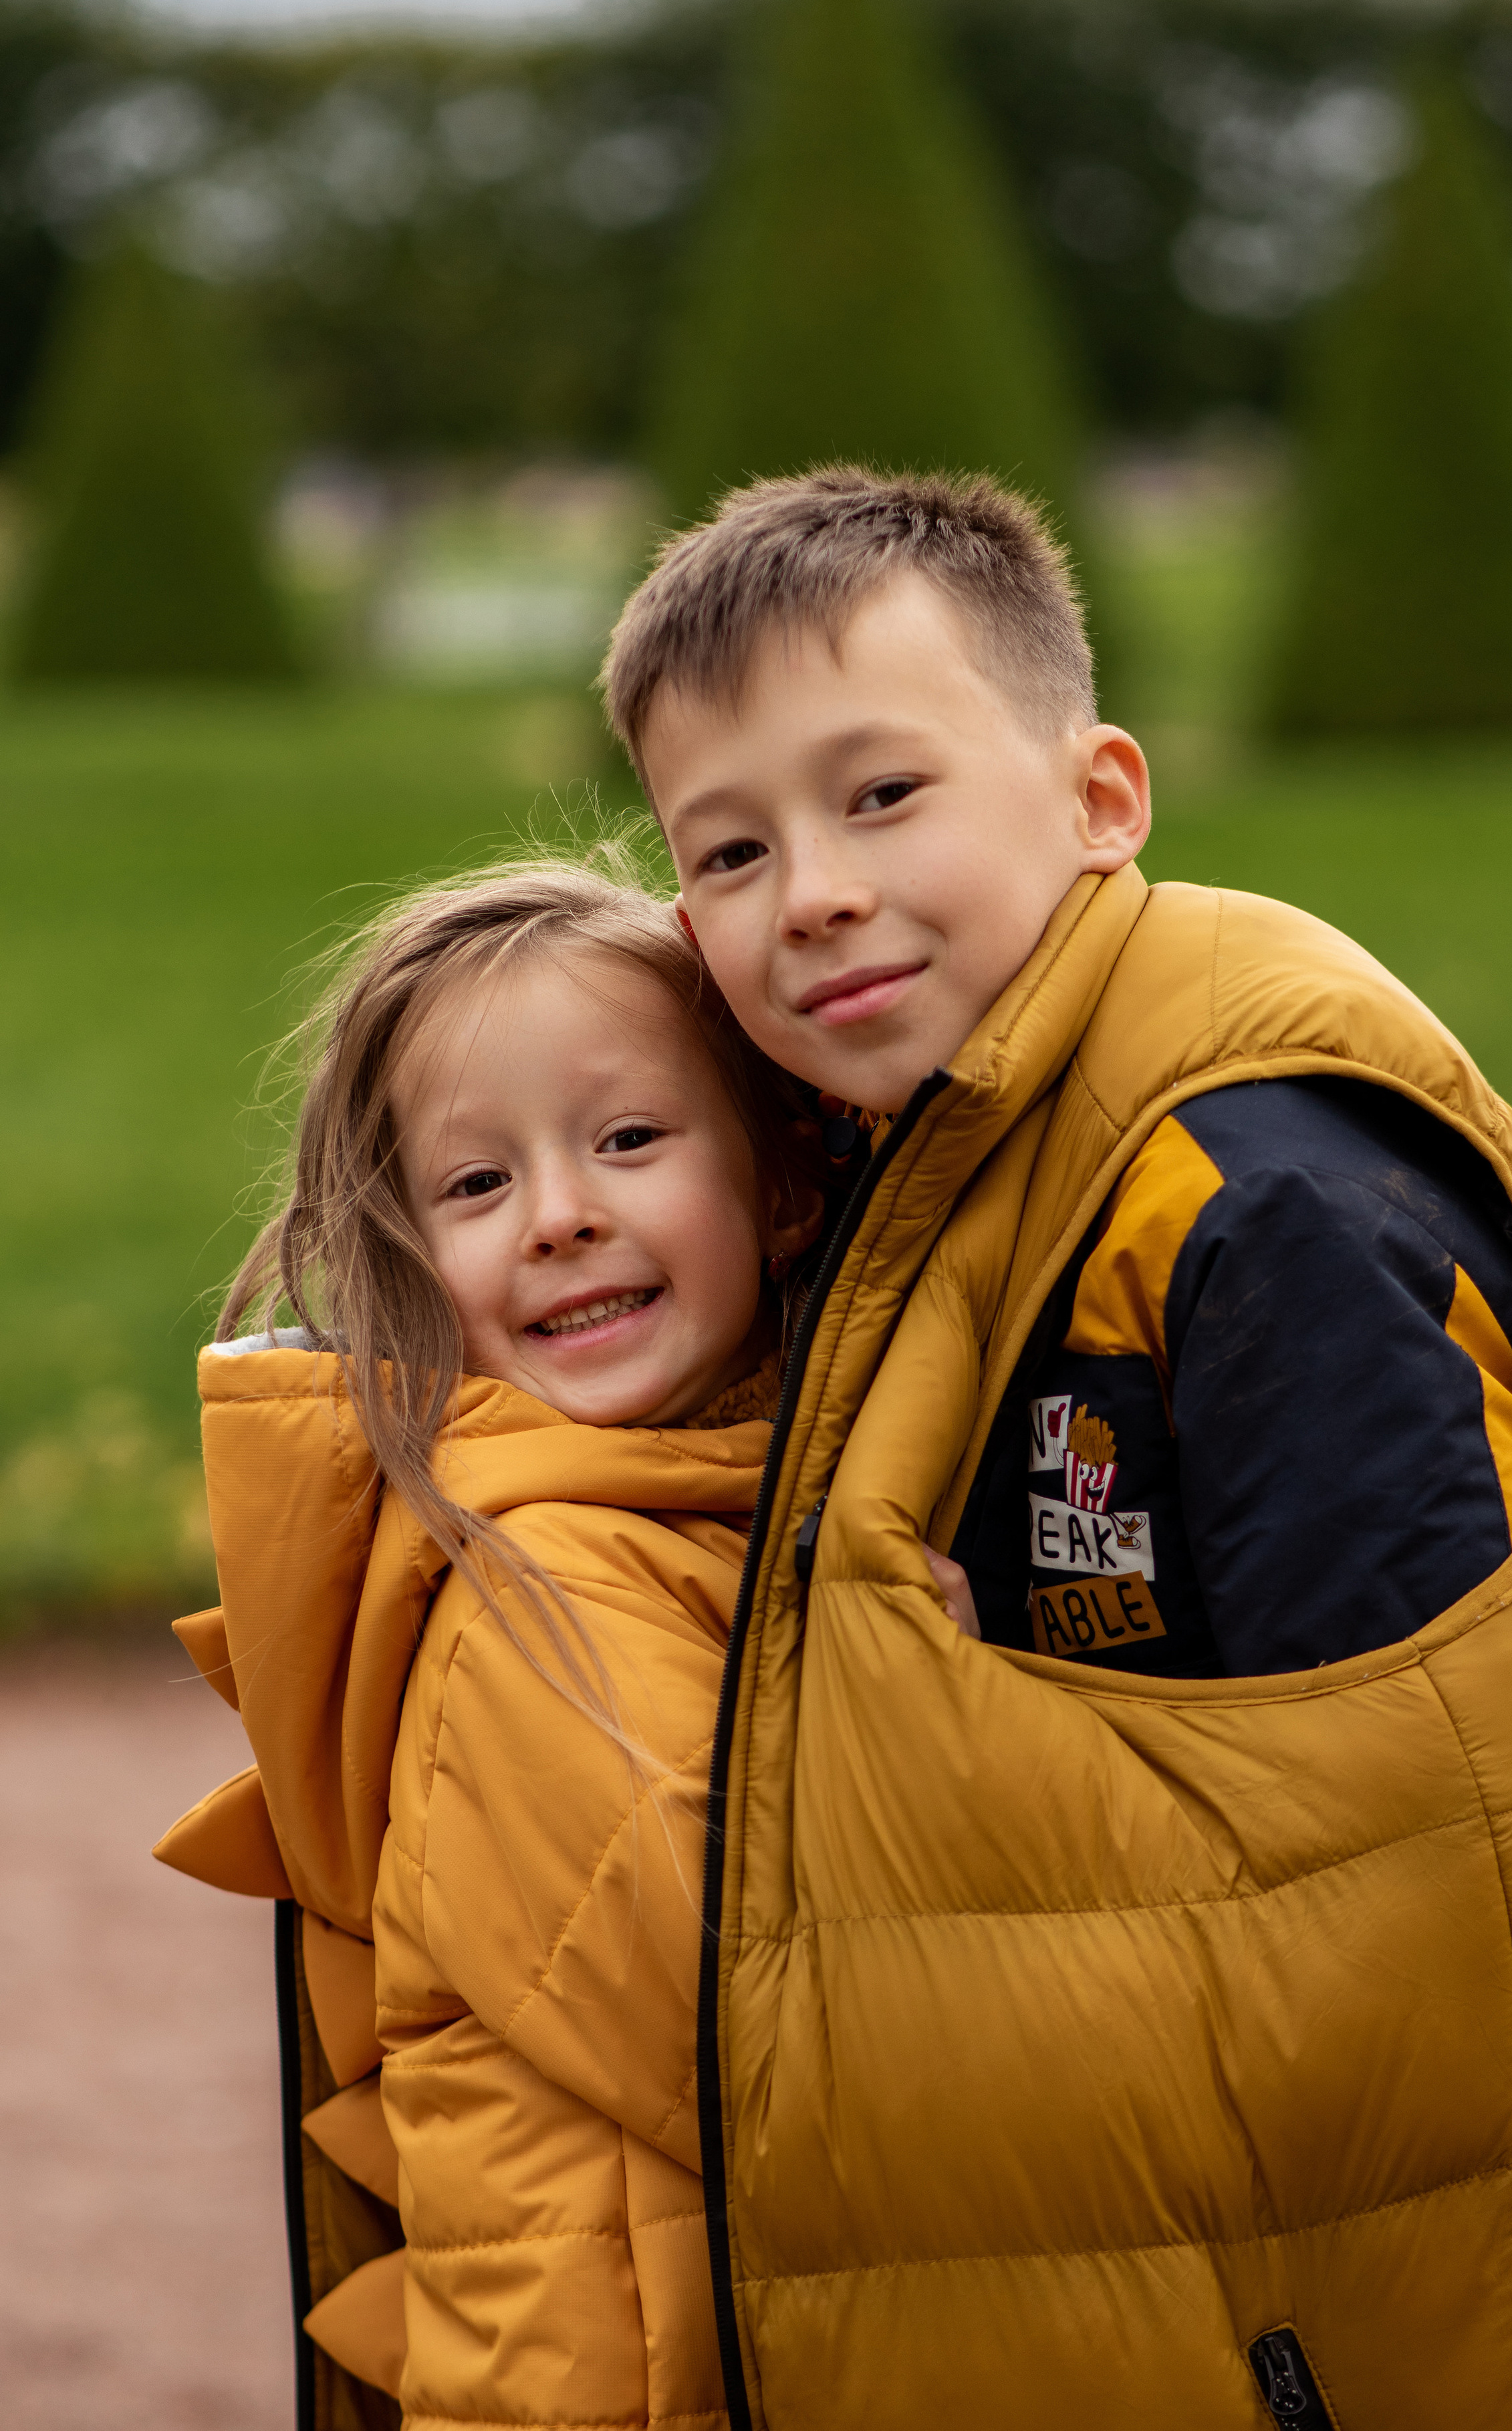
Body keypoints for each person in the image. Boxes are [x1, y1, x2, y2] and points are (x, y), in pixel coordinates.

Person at [598, 467, 1512, 2428]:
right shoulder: (939, 1130)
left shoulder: (1253, 1195)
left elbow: (1412, 1832)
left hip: (1358, 2331)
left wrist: (928, 1721)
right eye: (729, 850)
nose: (816, 891)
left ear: (1102, 797)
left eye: (881, 794)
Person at [156, 860, 960, 2431]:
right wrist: (929, 1684)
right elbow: (768, 2031)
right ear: (408, 1273)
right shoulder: (537, 1602)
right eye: (474, 1187)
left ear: (782, 1178)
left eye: (629, 1139)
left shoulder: (708, 1502)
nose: (562, 1214)